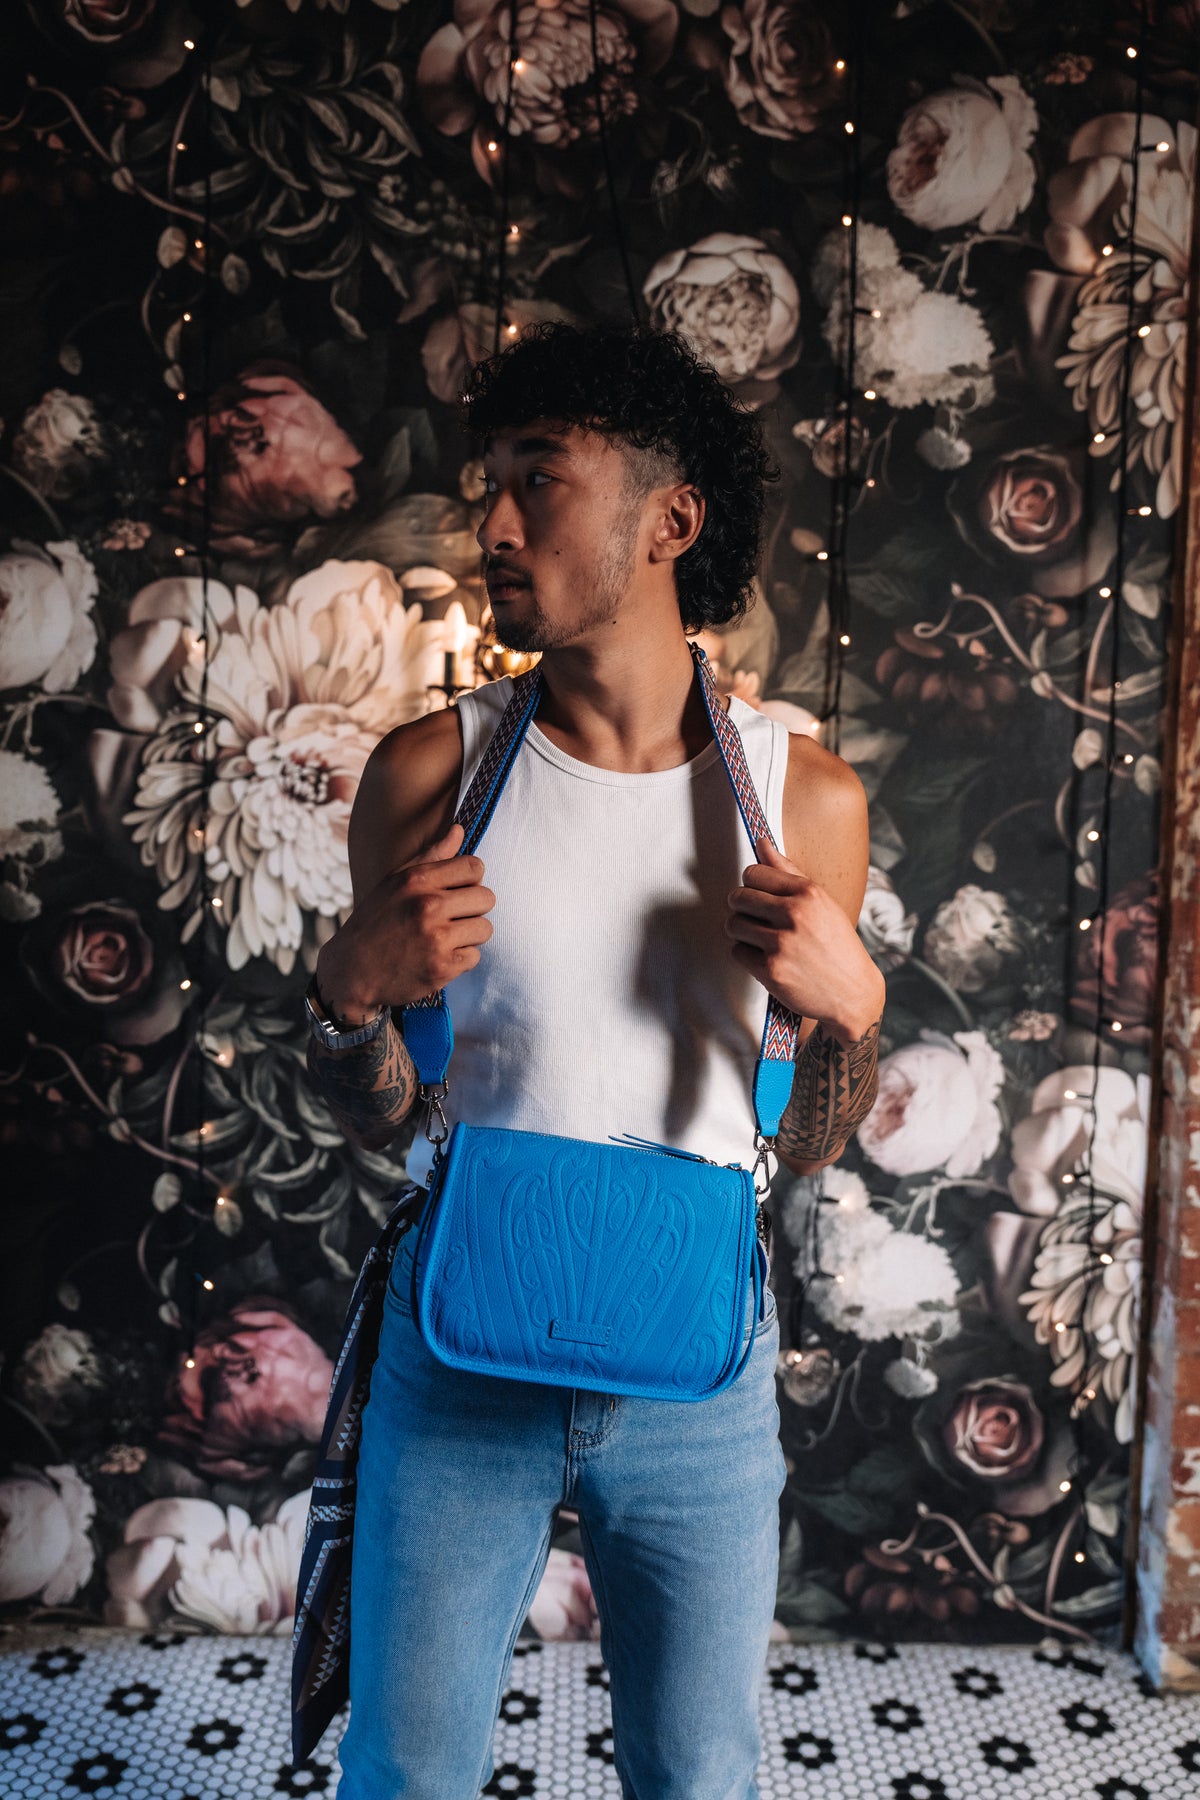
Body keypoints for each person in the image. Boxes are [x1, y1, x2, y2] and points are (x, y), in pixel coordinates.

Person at [303, 321, 885, 1800]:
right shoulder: (429, 777)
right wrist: (350, 997)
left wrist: (853, 1010)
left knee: (699, 1777)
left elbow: (805, 1138)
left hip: (702, 1373)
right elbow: (382, 1117)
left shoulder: (805, 803)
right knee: (406, 1772)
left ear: (669, 521)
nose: (494, 525)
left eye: (540, 480)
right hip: (458, 1350)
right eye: (488, 485)